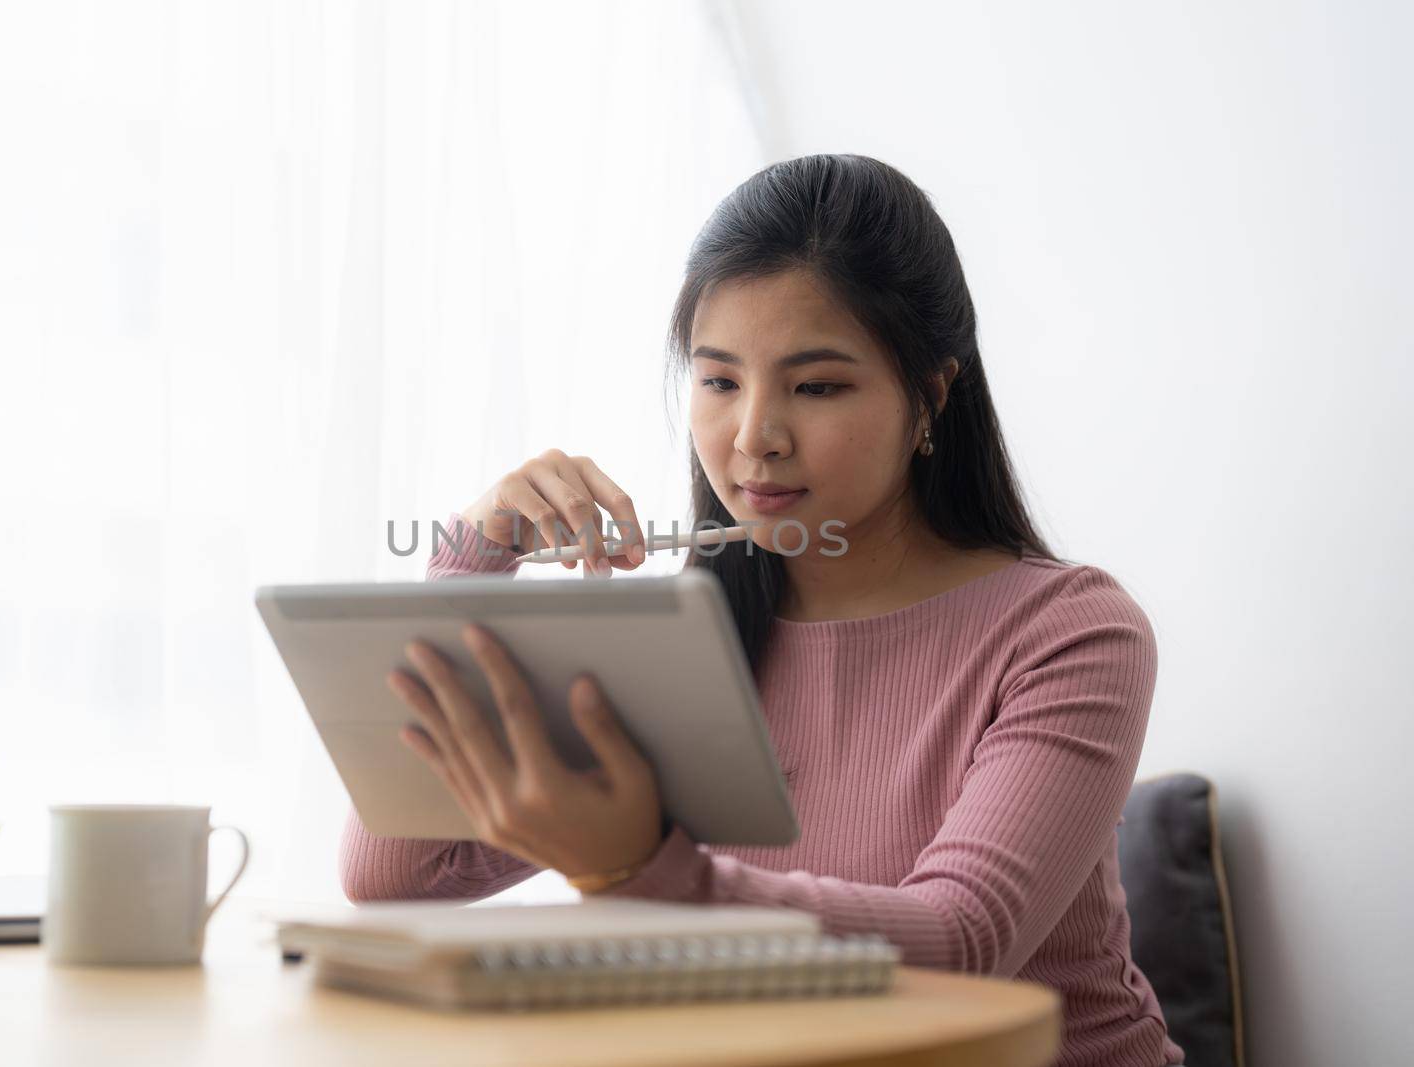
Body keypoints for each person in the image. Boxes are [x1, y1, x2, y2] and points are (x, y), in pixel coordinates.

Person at [341, 154, 1185, 1067]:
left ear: (931, 394)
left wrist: (641, 872)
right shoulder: (677, 641)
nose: (754, 438)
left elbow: (961, 940)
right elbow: (395, 875)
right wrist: (475, 555)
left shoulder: (1069, 631)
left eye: (816, 385)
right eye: (718, 382)